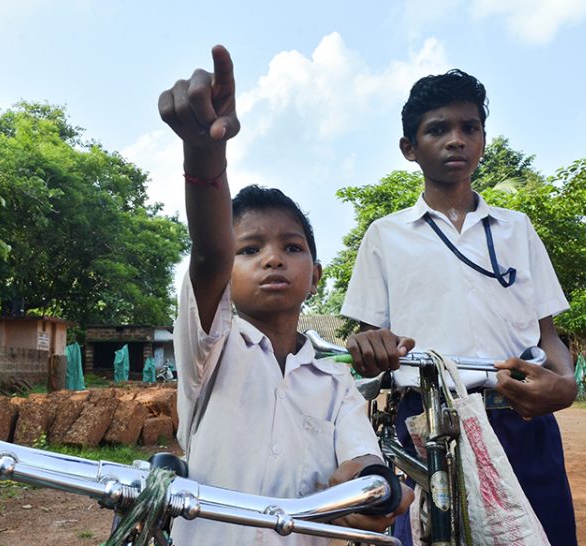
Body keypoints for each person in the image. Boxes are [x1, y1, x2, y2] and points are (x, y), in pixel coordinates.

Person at [159, 46, 413, 545]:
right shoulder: (207, 350)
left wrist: (372, 488)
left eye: (291, 247)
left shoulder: (336, 383)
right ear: (228, 273)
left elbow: (360, 458)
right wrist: (205, 155)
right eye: (249, 249)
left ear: (315, 275)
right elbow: (209, 252)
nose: (273, 259)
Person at [340, 69, 577, 545]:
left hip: (521, 420)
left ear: (483, 140)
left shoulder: (517, 229)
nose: (456, 140)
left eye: (469, 128)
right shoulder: (386, 236)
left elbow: (547, 335)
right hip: (429, 426)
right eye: (438, 129)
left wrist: (566, 386)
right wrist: (368, 345)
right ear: (409, 147)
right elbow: (371, 342)